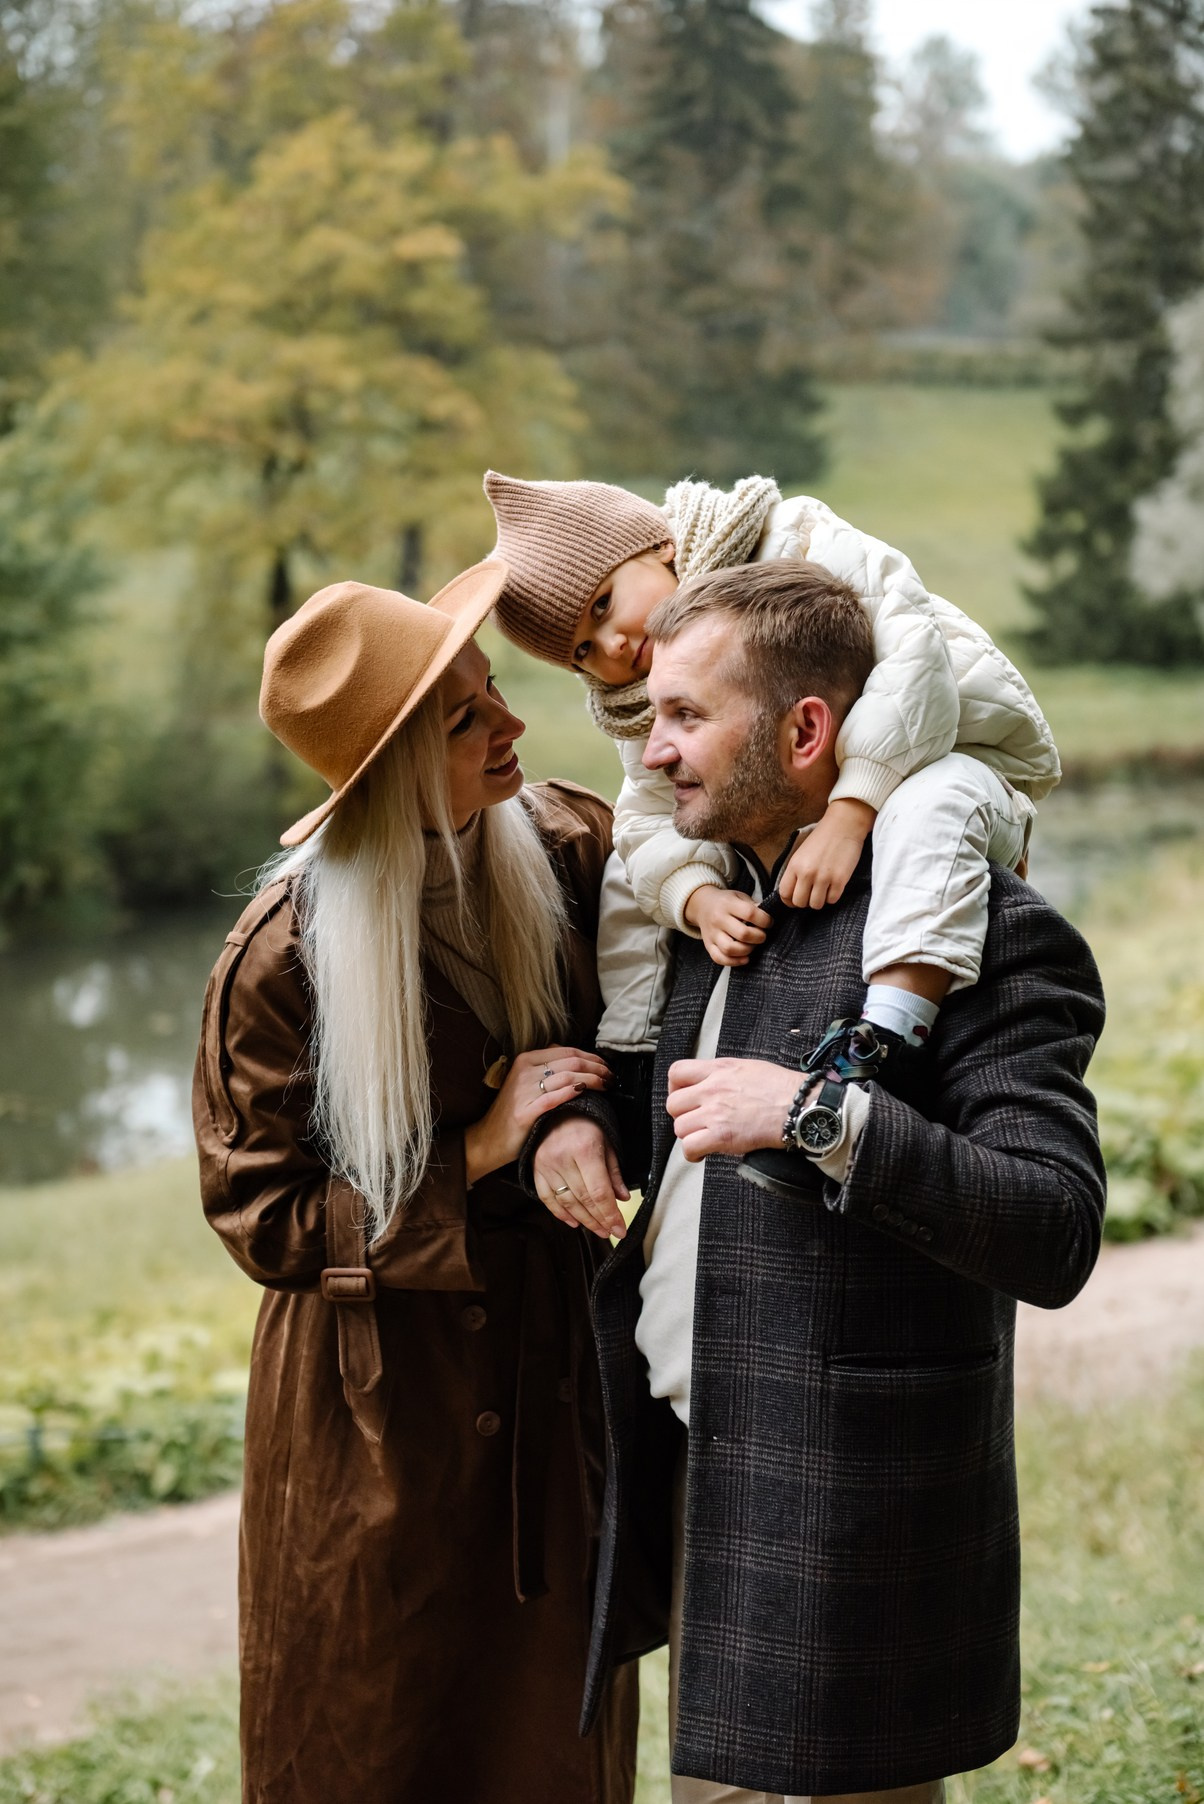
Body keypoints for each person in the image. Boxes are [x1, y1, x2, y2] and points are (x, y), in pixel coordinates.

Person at [528, 560, 1106, 1802]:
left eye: (686, 716)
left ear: (805, 731)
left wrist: (811, 1115)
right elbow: (668, 1114)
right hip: (698, 1472)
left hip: (853, 1503)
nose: (653, 752)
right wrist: (569, 1118)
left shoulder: (971, 926)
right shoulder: (710, 913)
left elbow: (1053, 1226)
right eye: (652, 717)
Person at [192, 559, 638, 1804]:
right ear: (390, 769)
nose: (512, 722)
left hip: (549, 1371)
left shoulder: (568, 842)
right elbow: (263, 1216)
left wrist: (573, 1111)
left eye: (492, 689)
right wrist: (476, 1150)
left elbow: (648, 1026)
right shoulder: (280, 958)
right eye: (464, 718)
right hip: (371, 1410)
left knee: (553, 1738)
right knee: (370, 1727)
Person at [484, 472, 1059, 1164]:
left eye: (604, 605)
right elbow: (643, 817)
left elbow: (914, 666)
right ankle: (632, 1066)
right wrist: (693, 896)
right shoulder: (645, 691)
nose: (609, 645)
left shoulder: (798, 542)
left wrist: (850, 813)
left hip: (959, 743)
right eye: (581, 649)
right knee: (626, 872)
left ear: (658, 545)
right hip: (836, 768)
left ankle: (886, 1034)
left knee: (929, 807)